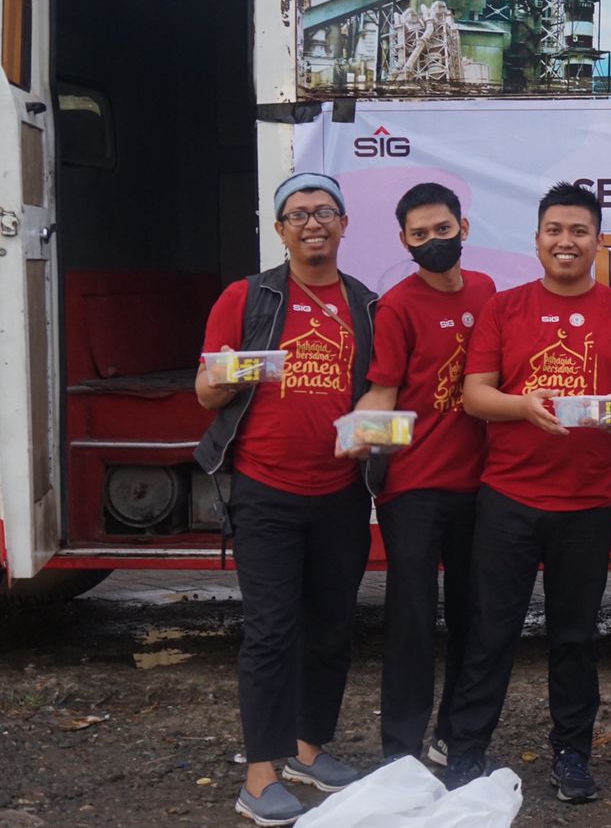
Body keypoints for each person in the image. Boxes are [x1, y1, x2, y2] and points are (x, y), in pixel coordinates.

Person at [443, 181, 611, 803]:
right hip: (508, 499)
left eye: (579, 231)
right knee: (491, 631)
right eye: (555, 230)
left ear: (598, 241)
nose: (567, 242)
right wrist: (523, 405)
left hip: (589, 501)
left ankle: (573, 755)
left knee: (575, 636)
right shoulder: (505, 308)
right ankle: (466, 751)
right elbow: (474, 395)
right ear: (537, 239)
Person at [194, 172, 379, 827]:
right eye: (298, 214)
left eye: (324, 211)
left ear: (343, 224)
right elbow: (205, 392)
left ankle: (307, 749)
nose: (312, 223)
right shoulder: (248, 296)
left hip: (342, 495)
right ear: (280, 229)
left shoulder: (366, 305)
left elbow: (377, 389)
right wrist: (230, 371)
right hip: (265, 491)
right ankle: (260, 777)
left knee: (331, 627)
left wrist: (372, 425)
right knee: (272, 632)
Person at [347, 182, 496, 766]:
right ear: (403, 241)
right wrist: (355, 435)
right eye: (420, 234)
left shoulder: (486, 291)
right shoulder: (398, 306)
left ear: (463, 228)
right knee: (411, 621)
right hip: (412, 488)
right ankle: (401, 751)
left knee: (472, 617)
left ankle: (453, 737)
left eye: (442, 229)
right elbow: (382, 390)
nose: (433, 241)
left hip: (481, 486)